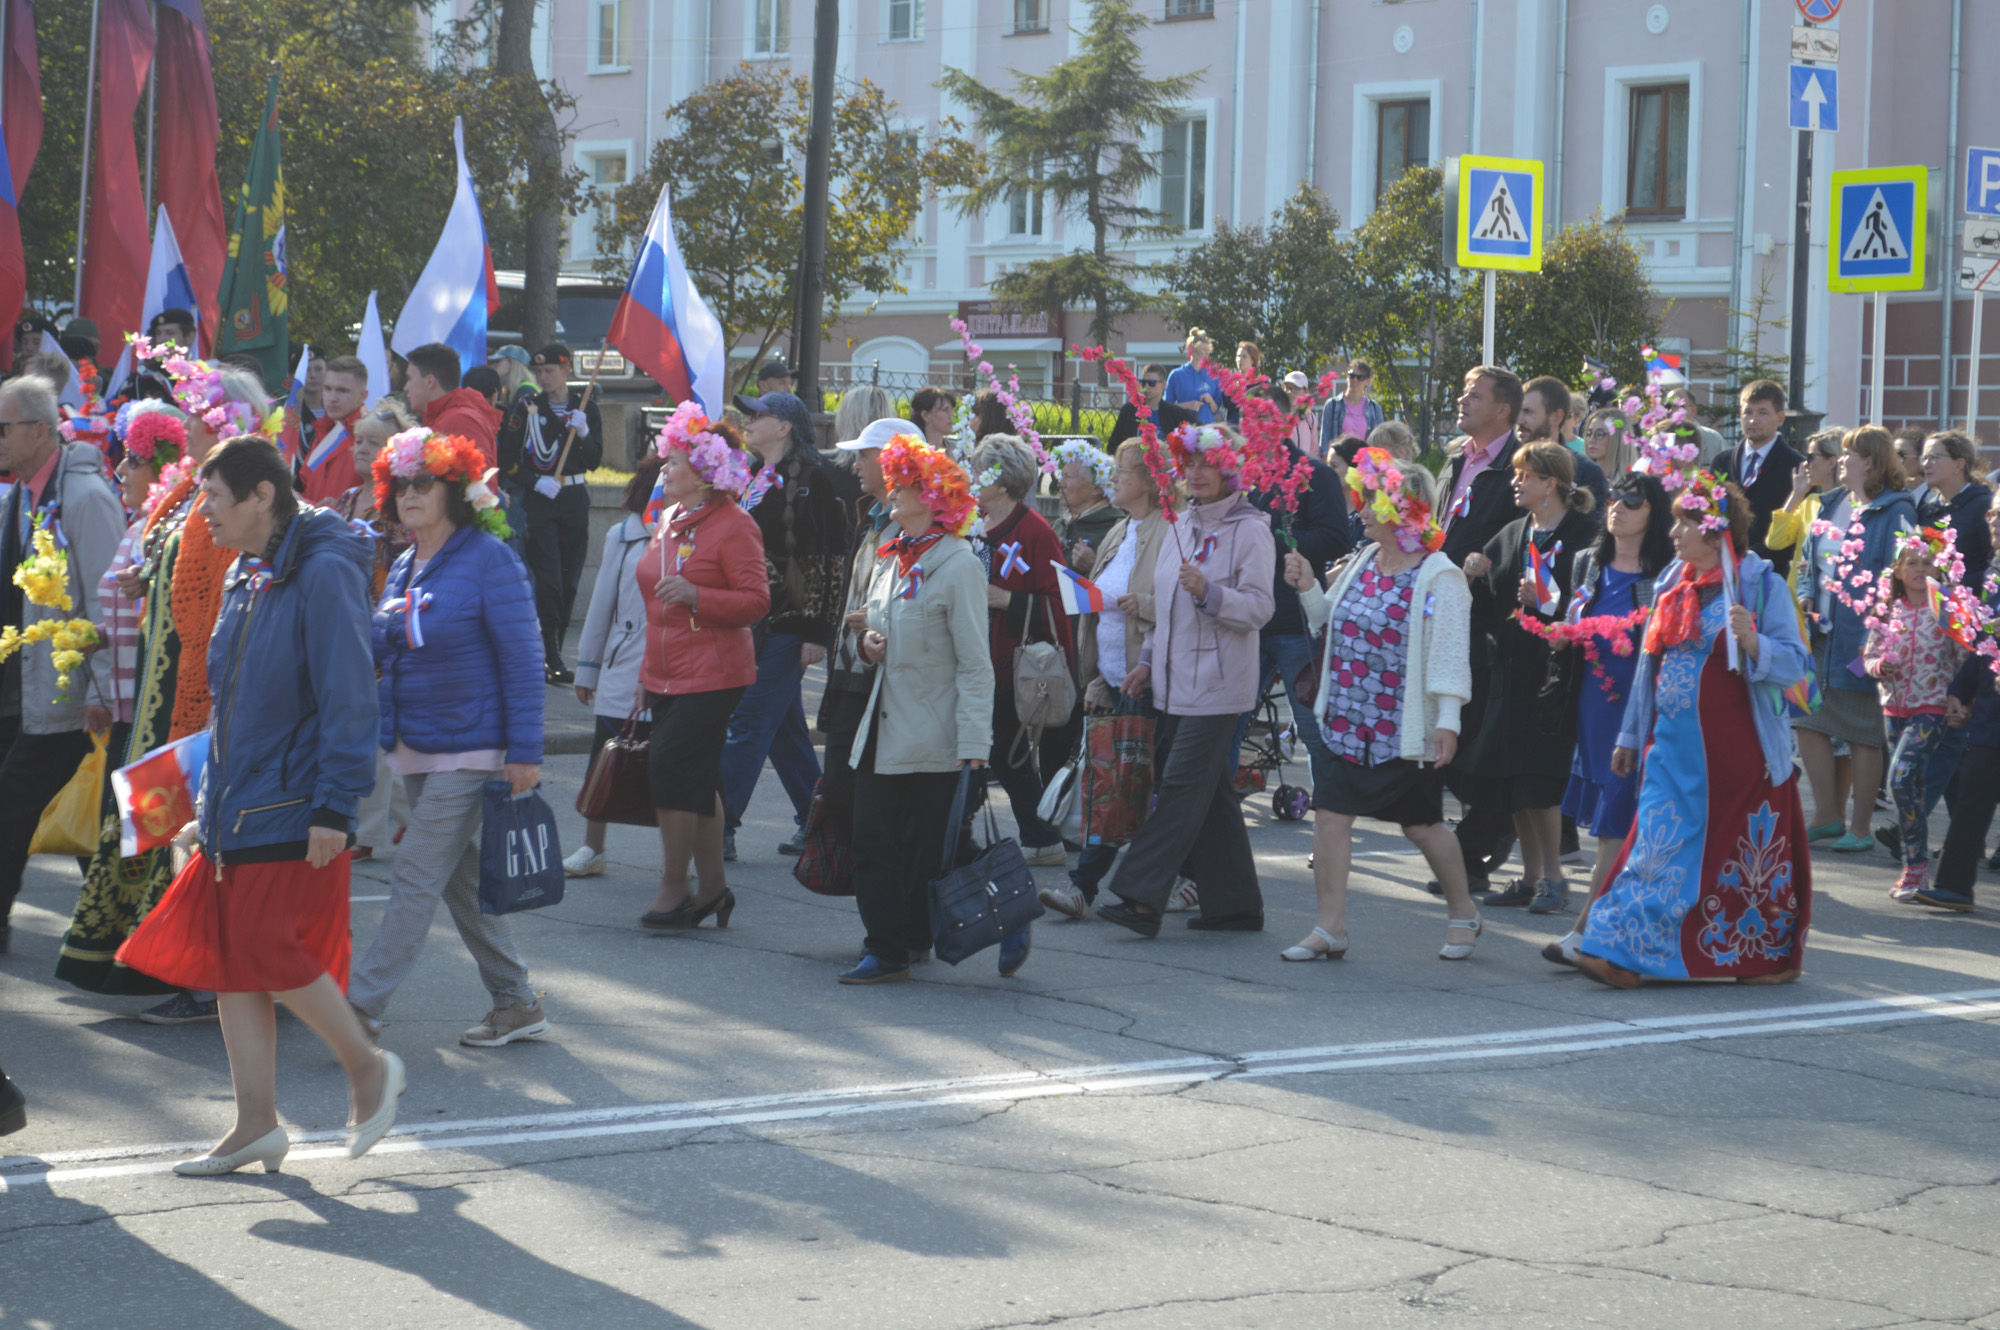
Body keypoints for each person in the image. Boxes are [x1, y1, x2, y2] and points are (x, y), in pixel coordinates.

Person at [114, 434, 397, 1173]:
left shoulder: (324, 569)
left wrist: (335, 807)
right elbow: (230, 708)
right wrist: (204, 803)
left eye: (214, 497)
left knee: (266, 951)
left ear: (262, 496)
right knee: (232, 963)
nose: (203, 511)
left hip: (293, 802)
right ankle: (255, 1125)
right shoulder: (249, 569)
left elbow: (349, 695)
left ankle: (368, 1068)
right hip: (237, 804)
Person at [55, 357, 270, 1008]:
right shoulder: (188, 490)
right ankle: (163, 962)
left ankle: (198, 975)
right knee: (155, 821)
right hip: (161, 684)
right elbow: (170, 569)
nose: (189, 424)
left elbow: (227, 597)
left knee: (186, 828)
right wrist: (145, 579)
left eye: (199, 414)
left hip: (192, 687)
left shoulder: (235, 499)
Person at [345, 426, 547, 1046]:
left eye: (424, 482)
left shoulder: (491, 559)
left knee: (414, 871)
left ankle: (358, 1010)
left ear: (454, 490)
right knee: (461, 881)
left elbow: (524, 659)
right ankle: (516, 1001)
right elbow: (386, 649)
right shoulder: (406, 563)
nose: (410, 493)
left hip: (474, 747)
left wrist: (525, 752)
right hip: (416, 744)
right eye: (401, 483)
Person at [1574, 473, 1813, 988]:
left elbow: (1797, 666)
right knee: (1654, 848)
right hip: (1669, 746)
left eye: (1686, 524)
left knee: (1739, 863)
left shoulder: (1760, 585)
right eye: (1676, 522)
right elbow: (1649, 668)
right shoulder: (1671, 584)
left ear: (1716, 531)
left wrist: (1755, 644)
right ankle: (1620, 950)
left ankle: (1764, 957)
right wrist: (1630, 736)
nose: (1674, 533)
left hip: (1737, 755)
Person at [1282, 450, 1481, 961]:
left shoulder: (1439, 575)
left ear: (1401, 508)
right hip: (1346, 720)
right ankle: (1330, 928)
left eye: (1371, 501)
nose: (1361, 509)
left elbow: (1450, 654)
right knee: (1330, 818)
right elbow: (1326, 622)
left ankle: (1463, 913)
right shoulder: (1364, 559)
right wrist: (1308, 586)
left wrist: (1448, 721)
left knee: (1422, 826)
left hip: (1402, 728)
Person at [840, 436, 1009, 983]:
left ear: (934, 496)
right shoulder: (895, 555)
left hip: (935, 735)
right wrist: (869, 644)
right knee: (871, 841)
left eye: (904, 483)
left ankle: (919, 937)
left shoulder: (959, 565)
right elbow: (877, 629)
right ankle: (889, 947)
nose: (891, 490)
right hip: (884, 726)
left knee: (925, 852)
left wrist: (974, 744)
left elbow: (975, 663)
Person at [1097, 425, 1276, 937]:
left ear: (1230, 469)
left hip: (1219, 685)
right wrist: (1147, 661)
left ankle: (1140, 898)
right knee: (1212, 796)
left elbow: (1260, 608)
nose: (1195, 473)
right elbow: (1168, 609)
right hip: (1176, 682)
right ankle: (1236, 906)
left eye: (1207, 464)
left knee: (1177, 789)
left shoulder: (1250, 529)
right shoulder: (1182, 523)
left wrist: (1210, 593)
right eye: (1189, 464)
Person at [0, 375, 125, 955]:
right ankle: (118, 930)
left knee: (17, 805)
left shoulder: (85, 497)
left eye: (5, 428)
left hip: (69, 693)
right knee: (81, 815)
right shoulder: (24, 493)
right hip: (26, 685)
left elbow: (108, 601)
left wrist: (100, 691)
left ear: (40, 430)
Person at [636, 404, 768, 929]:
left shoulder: (736, 525)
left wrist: (698, 595)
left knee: (669, 768)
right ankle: (713, 889)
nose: (663, 470)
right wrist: (645, 674)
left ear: (705, 472)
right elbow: (654, 604)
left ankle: (675, 885)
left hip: (714, 674)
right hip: (665, 671)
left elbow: (756, 602)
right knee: (699, 779)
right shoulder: (669, 519)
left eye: (673, 463)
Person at [1457, 441, 1600, 914]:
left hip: (1554, 675)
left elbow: (1591, 604)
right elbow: (1489, 603)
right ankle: (1531, 875)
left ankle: (1555, 879)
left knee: (1541, 780)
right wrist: (1474, 574)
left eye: (1525, 475)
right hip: (1511, 671)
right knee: (1514, 781)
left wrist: (1549, 604)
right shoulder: (1513, 533)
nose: (1515, 483)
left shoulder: (1585, 535)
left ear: (1551, 482)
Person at [1042, 437, 1181, 917]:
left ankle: (1086, 887)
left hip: (1151, 684)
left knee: (1125, 789)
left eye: (1122, 470)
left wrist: (1145, 605)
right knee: (1121, 788)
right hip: (1115, 682)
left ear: (1148, 480)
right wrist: (1099, 678)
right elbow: (1103, 607)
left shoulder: (1171, 531)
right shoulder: (1120, 530)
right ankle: (1190, 880)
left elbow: (1186, 605)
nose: (1113, 478)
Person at [1543, 472, 1674, 967]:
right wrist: (1559, 633)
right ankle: (1615, 926)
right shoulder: (1587, 563)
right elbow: (1573, 619)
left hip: (1637, 709)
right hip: (1592, 703)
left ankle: (1585, 931)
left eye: (1633, 500)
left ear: (1654, 513)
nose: (1618, 505)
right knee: (1611, 824)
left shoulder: (1665, 574)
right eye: (1615, 497)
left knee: (1615, 823)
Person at [720, 391, 847, 859]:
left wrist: (817, 633)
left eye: (759, 415)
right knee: (784, 731)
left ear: (785, 426)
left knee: (748, 721)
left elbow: (831, 562)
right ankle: (824, 824)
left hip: (790, 625)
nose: (748, 421)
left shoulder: (816, 479)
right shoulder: (752, 475)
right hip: (754, 622)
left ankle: (718, 825)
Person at [1792, 426, 1919, 854]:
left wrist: (1877, 635)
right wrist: (1806, 592)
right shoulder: (1832, 503)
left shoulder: (1896, 510)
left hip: (1866, 641)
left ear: (1871, 461)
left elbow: (1902, 576)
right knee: (1807, 720)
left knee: (1864, 734)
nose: (1841, 461)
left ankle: (1861, 827)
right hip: (1821, 636)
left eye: (1850, 454)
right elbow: (1809, 562)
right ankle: (1827, 816)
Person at [1228, 415, 1354, 796]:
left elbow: (1337, 538)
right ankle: (1217, 807)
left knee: (1311, 726)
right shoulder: (1242, 474)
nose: (1248, 431)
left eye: (1256, 422)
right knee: (1229, 722)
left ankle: (1331, 807)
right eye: (1244, 424)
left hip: (1292, 622)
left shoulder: (1315, 474)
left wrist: (1273, 540)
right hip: (1248, 623)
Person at [1436, 365, 1525, 894]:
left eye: (1475, 395)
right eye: (1464, 392)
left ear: (1503, 410)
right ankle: (1480, 837)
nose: (1462, 401)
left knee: (1474, 736)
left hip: (1488, 618)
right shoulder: (1455, 458)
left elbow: (1519, 541)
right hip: (1442, 609)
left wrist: (1487, 570)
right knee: (1446, 734)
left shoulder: (1518, 466)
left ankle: (1474, 848)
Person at [972, 433, 1071, 867]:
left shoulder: (1035, 531)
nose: (971, 477)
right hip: (975, 656)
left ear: (1002, 480)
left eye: (979, 470)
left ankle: (1041, 837)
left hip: (1011, 665)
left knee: (1003, 754)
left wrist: (1007, 599)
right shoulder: (971, 521)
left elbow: (1059, 605)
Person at [818, 418, 906, 888]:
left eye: (863, 456)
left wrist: (874, 622)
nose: (854, 465)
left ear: (891, 462)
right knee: (840, 783)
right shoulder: (872, 518)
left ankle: (885, 884)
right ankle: (877, 881)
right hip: (851, 671)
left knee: (858, 789)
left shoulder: (911, 526)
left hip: (881, 677)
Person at [565, 456, 662, 877]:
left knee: (672, 769)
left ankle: (680, 858)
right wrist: (587, 670)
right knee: (603, 760)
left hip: (674, 670)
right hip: (623, 668)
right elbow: (601, 605)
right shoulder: (621, 536)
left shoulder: (693, 535)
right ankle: (593, 848)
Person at [1864, 528, 1969, 900]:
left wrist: (1961, 699)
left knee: (1901, 777)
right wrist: (1880, 667)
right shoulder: (1887, 610)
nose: (1920, 569)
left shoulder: (1947, 608)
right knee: (1913, 788)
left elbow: (1964, 657)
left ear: (1939, 570)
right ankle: (1916, 867)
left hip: (1933, 706)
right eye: (1912, 563)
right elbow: (1869, 656)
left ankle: (1916, 867)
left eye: (1928, 563)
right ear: (1897, 570)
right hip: (1894, 708)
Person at [334, 405, 414, 861]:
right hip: (343, 625)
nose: (361, 449)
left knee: (374, 730)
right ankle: (427, 819)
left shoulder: (403, 502)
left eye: (373, 442)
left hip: (384, 628)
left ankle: (365, 834)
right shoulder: (345, 500)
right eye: (358, 441)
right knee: (366, 731)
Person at [498, 344, 603, 684]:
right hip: (541, 500)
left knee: (570, 579)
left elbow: (594, 461)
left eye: (550, 371)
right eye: (539, 371)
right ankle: (552, 655)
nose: (543, 377)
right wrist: (535, 482)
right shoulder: (527, 407)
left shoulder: (585, 407)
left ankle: (555, 644)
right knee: (549, 579)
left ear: (566, 371)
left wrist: (584, 433)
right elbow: (508, 460)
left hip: (573, 498)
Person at [96, 402, 189, 755]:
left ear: (166, 466)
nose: (120, 468)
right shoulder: (138, 528)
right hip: (128, 705)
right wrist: (96, 635)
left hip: (159, 707)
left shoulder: (180, 531)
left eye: (133, 459)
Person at [1923, 503, 2000, 912]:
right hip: (1991, 711)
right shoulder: (1994, 574)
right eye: (1991, 514)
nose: (1993, 522)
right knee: (1975, 790)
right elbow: (1985, 643)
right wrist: (1961, 689)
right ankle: (1954, 886)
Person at [1042, 440, 1123, 785]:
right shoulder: (1060, 525)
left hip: (1089, 655)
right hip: (1057, 649)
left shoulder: (1113, 528)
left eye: (1070, 476)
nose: (1060, 482)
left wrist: (1093, 568)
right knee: (1051, 747)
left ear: (1096, 488)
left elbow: (1120, 591)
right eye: (1060, 474)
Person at [1713, 379, 1804, 576]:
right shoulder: (1722, 461)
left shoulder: (1795, 466)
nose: (1753, 420)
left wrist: (1749, 555)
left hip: (1770, 574)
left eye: (1763, 413)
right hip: (1721, 569)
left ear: (1780, 418)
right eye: (1748, 412)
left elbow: (1797, 531)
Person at [403, 342, 501, 466]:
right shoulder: (447, 417)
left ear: (430, 381)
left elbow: (480, 476)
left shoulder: (461, 420)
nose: (405, 388)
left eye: (409, 378)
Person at [1917, 430, 1992, 592]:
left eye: (1934, 457)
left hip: (1974, 602)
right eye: (1924, 458)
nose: (1926, 464)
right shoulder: (1927, 509)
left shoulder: (1984, 506)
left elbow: (1995, 565)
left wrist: (1964, 585)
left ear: (1959, 464)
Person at [1520, 375, 1609, 509]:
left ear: (1557, 417)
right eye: (1519, 411)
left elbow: (1592, 520)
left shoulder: (1586, 473)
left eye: (1528, 412)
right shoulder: (1504, 464)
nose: (1519, 420)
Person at [297, 355, 369, 505]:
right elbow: (306, 485)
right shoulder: (321, 432)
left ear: (362, 396)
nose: (332, 398)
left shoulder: (371, 438)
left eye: (342, 391)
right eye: (327, 389)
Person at [1107, 364, 1192, 447]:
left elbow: (1195, 433)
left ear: (1164, 385)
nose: (1146, 387)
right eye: (1143, 383)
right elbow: (1113, 445)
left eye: (1152, 383)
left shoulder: (1175, 413)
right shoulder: (1129, 410)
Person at [1320, 359, 1385, 460]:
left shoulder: (1375, 408)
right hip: (1339, 462)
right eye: (1352, 375)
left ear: (1368, 381)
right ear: (1347, 377)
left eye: (1360, 377)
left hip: (1364, 464)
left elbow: (1379, 445)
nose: (1355, 380)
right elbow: (1325, 444)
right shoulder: (1332, 405)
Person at [1163, 329, 1223, 425]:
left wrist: (1211, 401)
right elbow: (1166, 407)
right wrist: (1186, 405)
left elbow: (1215, 410)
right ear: (1192, 350)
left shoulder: (1214, 375)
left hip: (1208, 429)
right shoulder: (1176, 375)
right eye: (1203, 350)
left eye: (1208, 350)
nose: (1207, 354)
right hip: (1183, 428)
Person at [1580, 407, 1637, 479]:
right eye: (1589, 433)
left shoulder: (1632, 481)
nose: (1591, 440)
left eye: (1599, 434)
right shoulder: (1580, 477)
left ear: (1617, 438)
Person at [908, 386, 958, 451]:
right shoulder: (911, 451)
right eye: (945, 410)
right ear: (926, 415)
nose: (952, 415)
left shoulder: (957, 449)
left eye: (951, 410)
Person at [1895, 427, 1933, 511]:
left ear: (1921, 460)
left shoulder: (1932, 503)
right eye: (1892, 456)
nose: (1894, 462)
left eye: (1900, 455)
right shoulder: (1887, 498)